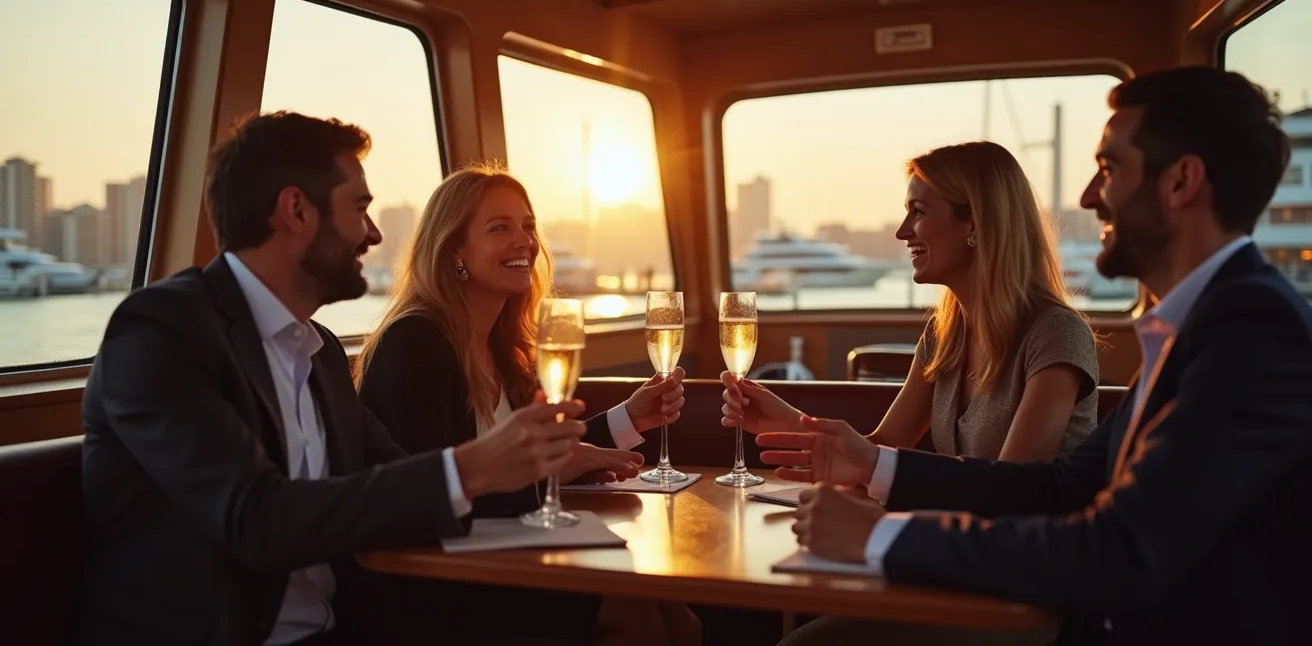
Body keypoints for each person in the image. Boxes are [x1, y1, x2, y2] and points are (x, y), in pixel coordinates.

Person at [763, 66, 1309, 645]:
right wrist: (875, 465)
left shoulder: (1251, 329)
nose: (1088, 197)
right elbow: (1056, 487)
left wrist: (879, 538)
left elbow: (1122, 553)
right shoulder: (1197, 324)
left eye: (1109, 168)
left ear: (1181, 183)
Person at [78, 112, 590, 646]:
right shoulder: (162, 332)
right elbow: (255, 519)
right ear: (296, 210)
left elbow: (400, 480)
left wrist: (513, 470)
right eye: (359, 208)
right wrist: (467, 469)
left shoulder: (318, 351)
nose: (373, 234)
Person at [351, 163, 700, 646]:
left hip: (500, 559)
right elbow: (426, 496)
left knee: (676, 611)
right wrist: (552, 473)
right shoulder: (414, 343)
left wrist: (628, 417)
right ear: (455, 250)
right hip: (436, 585)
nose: (525, 241)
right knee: (632, 610)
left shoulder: (503, 346)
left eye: (528, 226)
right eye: (500, 228)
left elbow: (548, 457)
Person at [723, 141, 1100, 464]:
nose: (903, 232)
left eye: (918, 212)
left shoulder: (1057, 334)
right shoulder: (945, 335)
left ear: (974, 224)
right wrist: (784, 420)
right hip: (960, 540)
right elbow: (882, 447)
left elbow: (1010, 488)